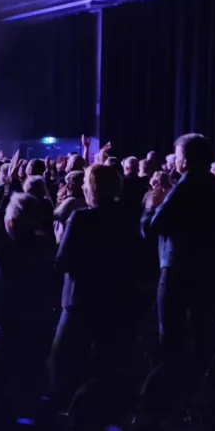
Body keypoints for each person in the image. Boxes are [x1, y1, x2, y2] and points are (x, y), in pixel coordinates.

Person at [51, 164, 147, 403]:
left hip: (81, 300)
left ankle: (67, 412)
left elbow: (63, 261)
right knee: (107, 363)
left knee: (64, 361)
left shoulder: (81, 218)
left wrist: (60, 242)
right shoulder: (128, 217)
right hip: (116, 299)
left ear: (92, 187)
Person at [142, 133, 215, 358]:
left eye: (177, 156)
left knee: (171, 333)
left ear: (186, 161)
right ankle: (202, 373)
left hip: (177, 270)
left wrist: (151, 207)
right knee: (203, 330)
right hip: (208, 264)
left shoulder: (183, 188)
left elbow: (152, 228)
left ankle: (172, 375)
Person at [0, 192, 57, 431]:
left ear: (11, 222)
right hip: (40, 327)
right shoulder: (47, 248)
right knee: (32, 385)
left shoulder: (5, 252)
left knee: (1, 389)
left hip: (8, 330)